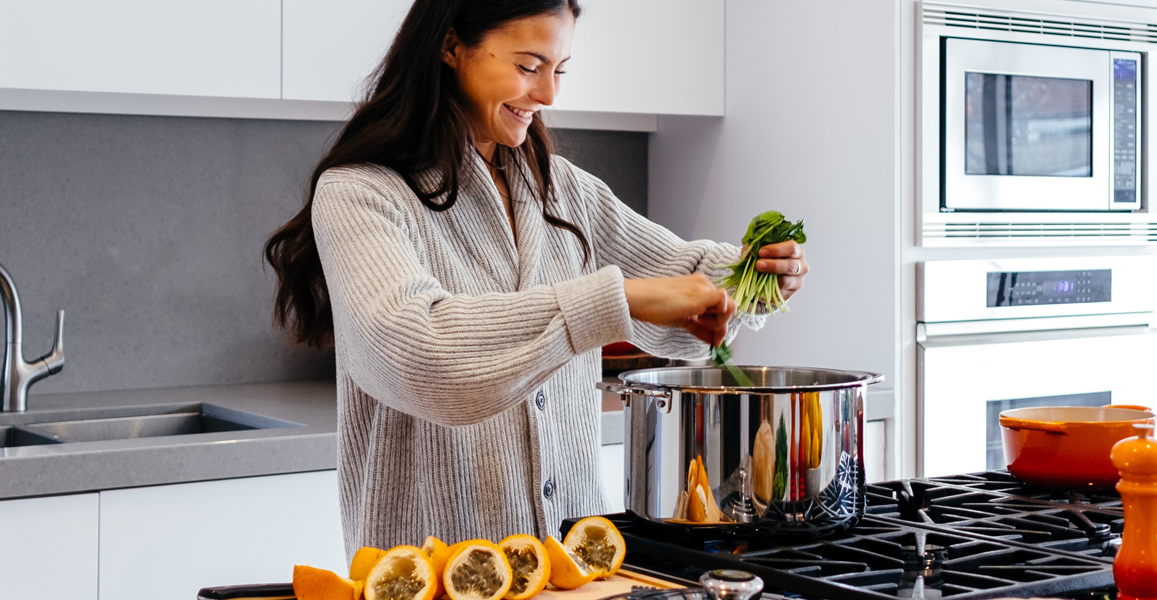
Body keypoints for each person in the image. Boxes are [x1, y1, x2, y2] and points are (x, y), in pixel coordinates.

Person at [263, 0, 808, 553]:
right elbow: (419, 353)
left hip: (572, 571)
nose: (548, 95)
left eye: (559, 69)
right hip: (431, 576)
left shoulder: (561, 190)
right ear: (451, 47)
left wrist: (751, 277)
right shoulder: (361, 194)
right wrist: (613, 300)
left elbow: (682, 281)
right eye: (529, 66)